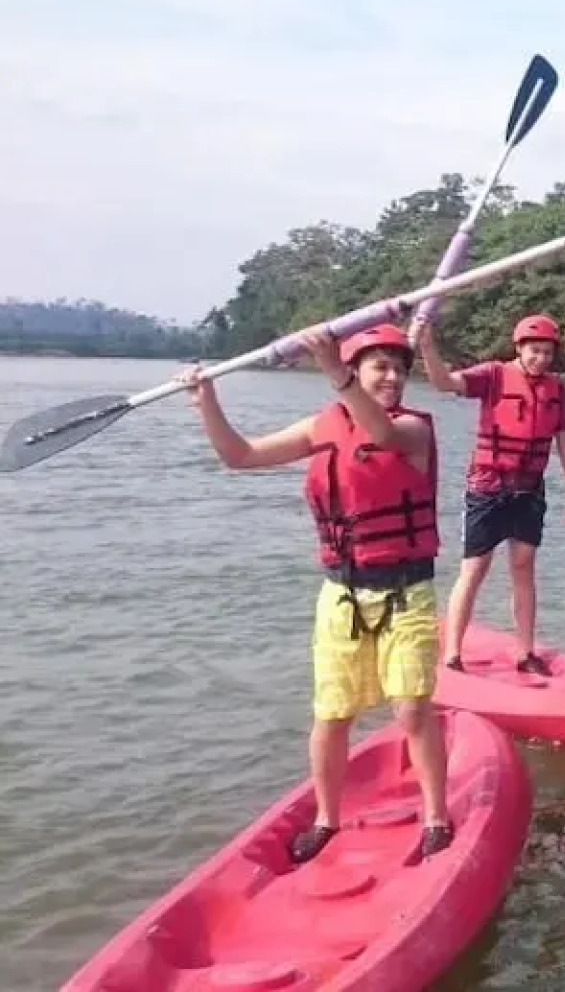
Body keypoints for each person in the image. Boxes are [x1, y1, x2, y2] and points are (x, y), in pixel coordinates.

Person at [177, 323, 453, 863]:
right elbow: (240, 455)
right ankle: (327, 818)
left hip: (405, 591)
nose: (393, 377)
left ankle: (437, 816)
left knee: (412, 711)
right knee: (331, 715)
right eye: (381, 367)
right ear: (357, 368)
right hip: (343, 596)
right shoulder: (320, 427)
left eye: (398, 368)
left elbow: (379, 437)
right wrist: (207, 401)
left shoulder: (414, 429)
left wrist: (336, 374)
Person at [416, 313, 565, 676]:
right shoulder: (493, 375)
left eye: (547, 352)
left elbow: (564, 440)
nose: (541, 358)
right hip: (488, 487)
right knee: (475, 569)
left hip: (529, 491)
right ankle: (452, 655)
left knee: (524, 568)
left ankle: (525, 652)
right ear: (519, 348)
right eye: (534, 351)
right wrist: (428, 346)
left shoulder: (556, 388)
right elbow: (444, 383)